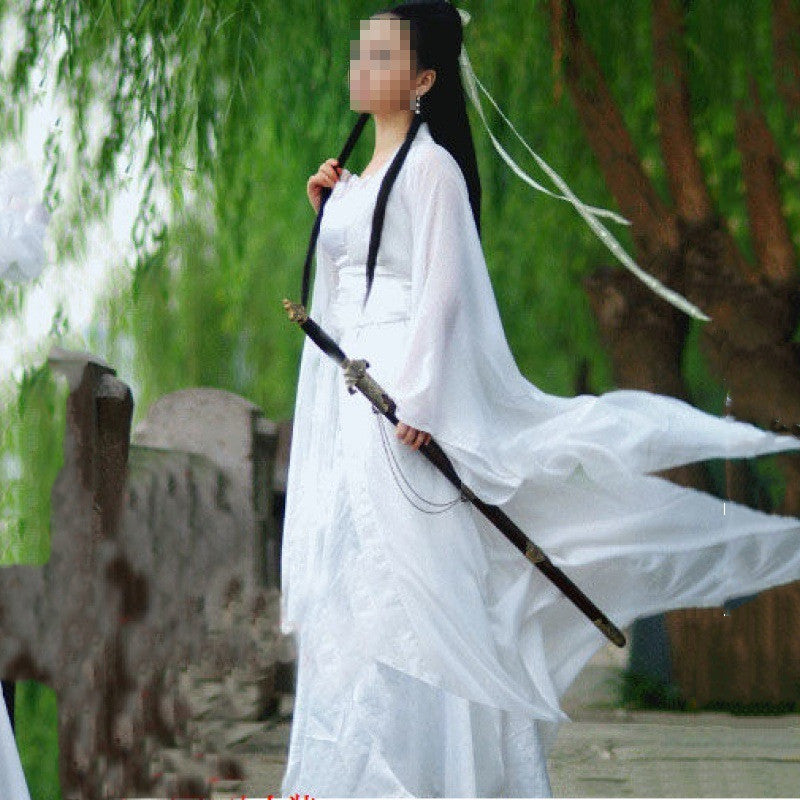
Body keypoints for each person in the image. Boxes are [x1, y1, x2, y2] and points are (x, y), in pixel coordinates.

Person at [279, 2, 800, 796]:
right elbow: (349, 292)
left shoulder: (432, 170)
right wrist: (331, 214)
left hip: (400, 405)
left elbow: (443, 293)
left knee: (422, 588)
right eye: (363, 50)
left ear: (423, 79)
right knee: (355, 582)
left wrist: (420, 401)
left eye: (382, 54)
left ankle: (440, 777)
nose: (361, 63)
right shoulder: (356, 178)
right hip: (352, 405)